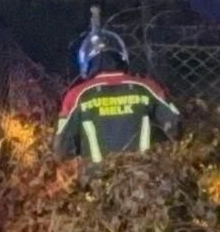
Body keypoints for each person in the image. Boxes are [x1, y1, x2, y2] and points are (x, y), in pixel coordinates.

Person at [52, 26, 182, 170]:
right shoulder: (148, 88)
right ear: (122, 57)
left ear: (86, 63)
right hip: (144, 179)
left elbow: (61, 149)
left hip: (96, 182)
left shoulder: (76, 96)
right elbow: (175, 127)